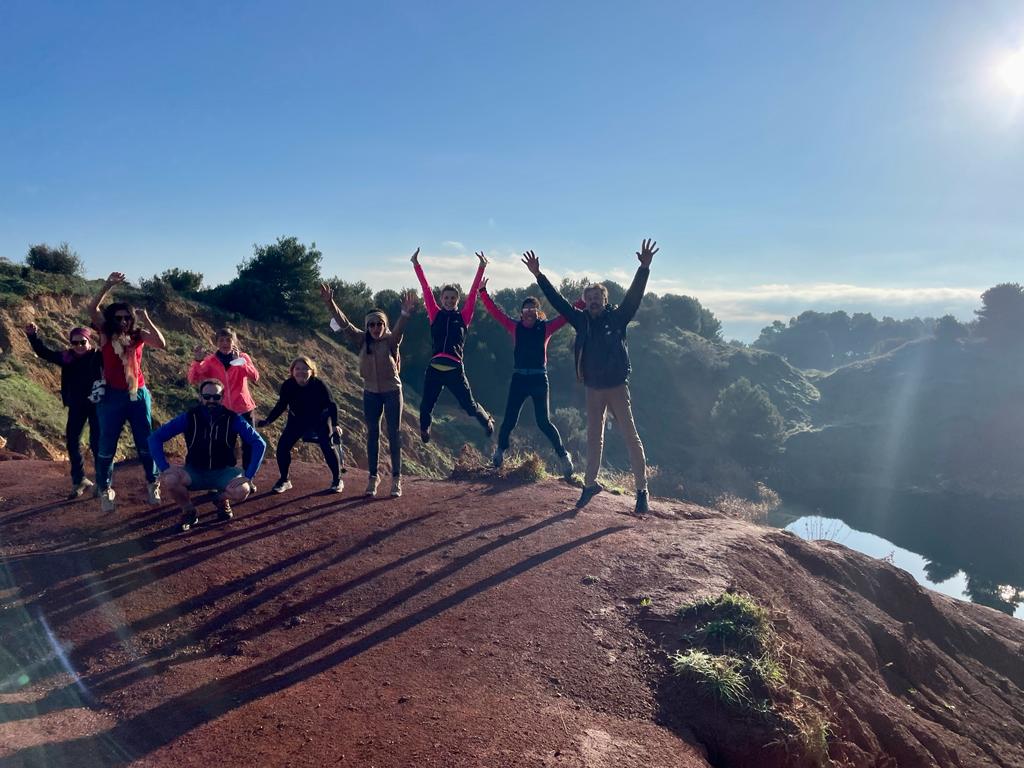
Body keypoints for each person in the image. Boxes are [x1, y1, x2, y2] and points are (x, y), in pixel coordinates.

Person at [524, 239, 658, 514]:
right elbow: (558, 301)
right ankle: (589, 484)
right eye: (590, 298)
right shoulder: (581, 320)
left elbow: (634, 296)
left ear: (605, 300)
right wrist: (539, 275)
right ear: (585, 302)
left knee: (630, 436)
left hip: (617, 386)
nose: (594, 301)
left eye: (598, 297)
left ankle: (641, 491)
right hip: (593, 388)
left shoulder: (618, 318)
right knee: (594, 437)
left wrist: (644, 268)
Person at [321, 283, 417, 498]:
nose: (375, 328)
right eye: (372, 324)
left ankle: (396, 479)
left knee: (394, 434)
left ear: (385, 325)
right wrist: (330, 303)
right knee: (372, 434)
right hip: (370, 392)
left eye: (379, 324)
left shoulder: (391, 340)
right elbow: (344, 323)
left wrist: (404, 314)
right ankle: (373, 478)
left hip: (392, 391)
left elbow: (399, 330)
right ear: (367, 326)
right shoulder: (361, 339)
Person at [478, 277, 577, 478]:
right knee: (509, 420)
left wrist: (583, 301)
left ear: (538, 313)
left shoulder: (546, 327)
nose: (530, 312)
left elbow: (566, 314)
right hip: (519, 379)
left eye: (533, 309)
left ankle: (563, 456)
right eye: (526, 309)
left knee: (543, 422)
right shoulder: (515, 326)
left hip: (539, 379)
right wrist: (483, 293)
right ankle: (499, 453)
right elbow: (496, 313)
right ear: (521, 313)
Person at [89, 271, 166, 513]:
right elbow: (92, 308)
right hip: (112, 395)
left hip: (138, 393)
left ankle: (153, 482)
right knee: (106, 444)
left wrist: (147, 319)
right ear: (111, 319)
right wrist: (107, 285)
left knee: (145, 441)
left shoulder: (137, 336)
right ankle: (105, 489)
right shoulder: (105, 334)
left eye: (127, 317)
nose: (123, 321)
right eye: (118, 317)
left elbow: (161, 343)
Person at [148, 378, 267, 532]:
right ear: (200, 397)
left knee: (242, 490)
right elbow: (155, 438)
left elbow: (259, 443)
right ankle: (189, 511)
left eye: (216, 397)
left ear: (222, 398)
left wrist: (249, 475)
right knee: (170, 479)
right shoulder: (190, 417)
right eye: (207, 396)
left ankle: (220, 499)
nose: (211, 400)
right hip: (195, 471)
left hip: (223, 471)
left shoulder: (233, 418)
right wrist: (164, 467)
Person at [412, 247, 494, 443]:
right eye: (446, 297)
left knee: (469, 407)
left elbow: (473, 293)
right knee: (426, 405)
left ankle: (487, 421)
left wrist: (481, 267)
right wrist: (416, 264)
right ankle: (425, 430)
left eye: (453, 298)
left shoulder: (463, 317)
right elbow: (426, 289)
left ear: (457, 300)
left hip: (455, 369)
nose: (449, 300)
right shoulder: (435, 314)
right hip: (435, 368)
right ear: (441, 299)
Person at [23, 322, 103, 498]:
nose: (79, 346)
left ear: (89, 341)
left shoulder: (98, 356)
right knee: (72, 442)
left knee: (97, 443)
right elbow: (44, 353)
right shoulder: (67, 357)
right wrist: (33, 336)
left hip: (97, 405)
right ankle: (79, 480)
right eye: (75, 343)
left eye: (82, 342)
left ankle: (102, 481)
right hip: (76, 405)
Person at [257, 357, 343, 494]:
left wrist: (335, 425)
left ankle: (337, 480)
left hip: (319, 420)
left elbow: (332, 405)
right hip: (297, 420)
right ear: (292, 371)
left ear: (312, 371)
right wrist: (268, 421)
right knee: (282, 447)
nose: (301, 372)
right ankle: (284, 480)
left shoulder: (319, 384)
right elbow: (281, 405)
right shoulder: (288, 385)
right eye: (297, 369)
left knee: (327, 446)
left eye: (305, 369)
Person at [188, 326, 260, 470]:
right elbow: (193, 379)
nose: (225, 343)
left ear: (234, 342)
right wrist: (197, 361)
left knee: (249, 444)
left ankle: (248, 476)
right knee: (226, 445)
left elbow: (255, 377)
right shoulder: (210, 361)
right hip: (224, 411)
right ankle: (226, 476)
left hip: (244, 408)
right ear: (216, 343)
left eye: (228, 340)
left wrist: (240, 363)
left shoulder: (243, 357)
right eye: (221, 340)